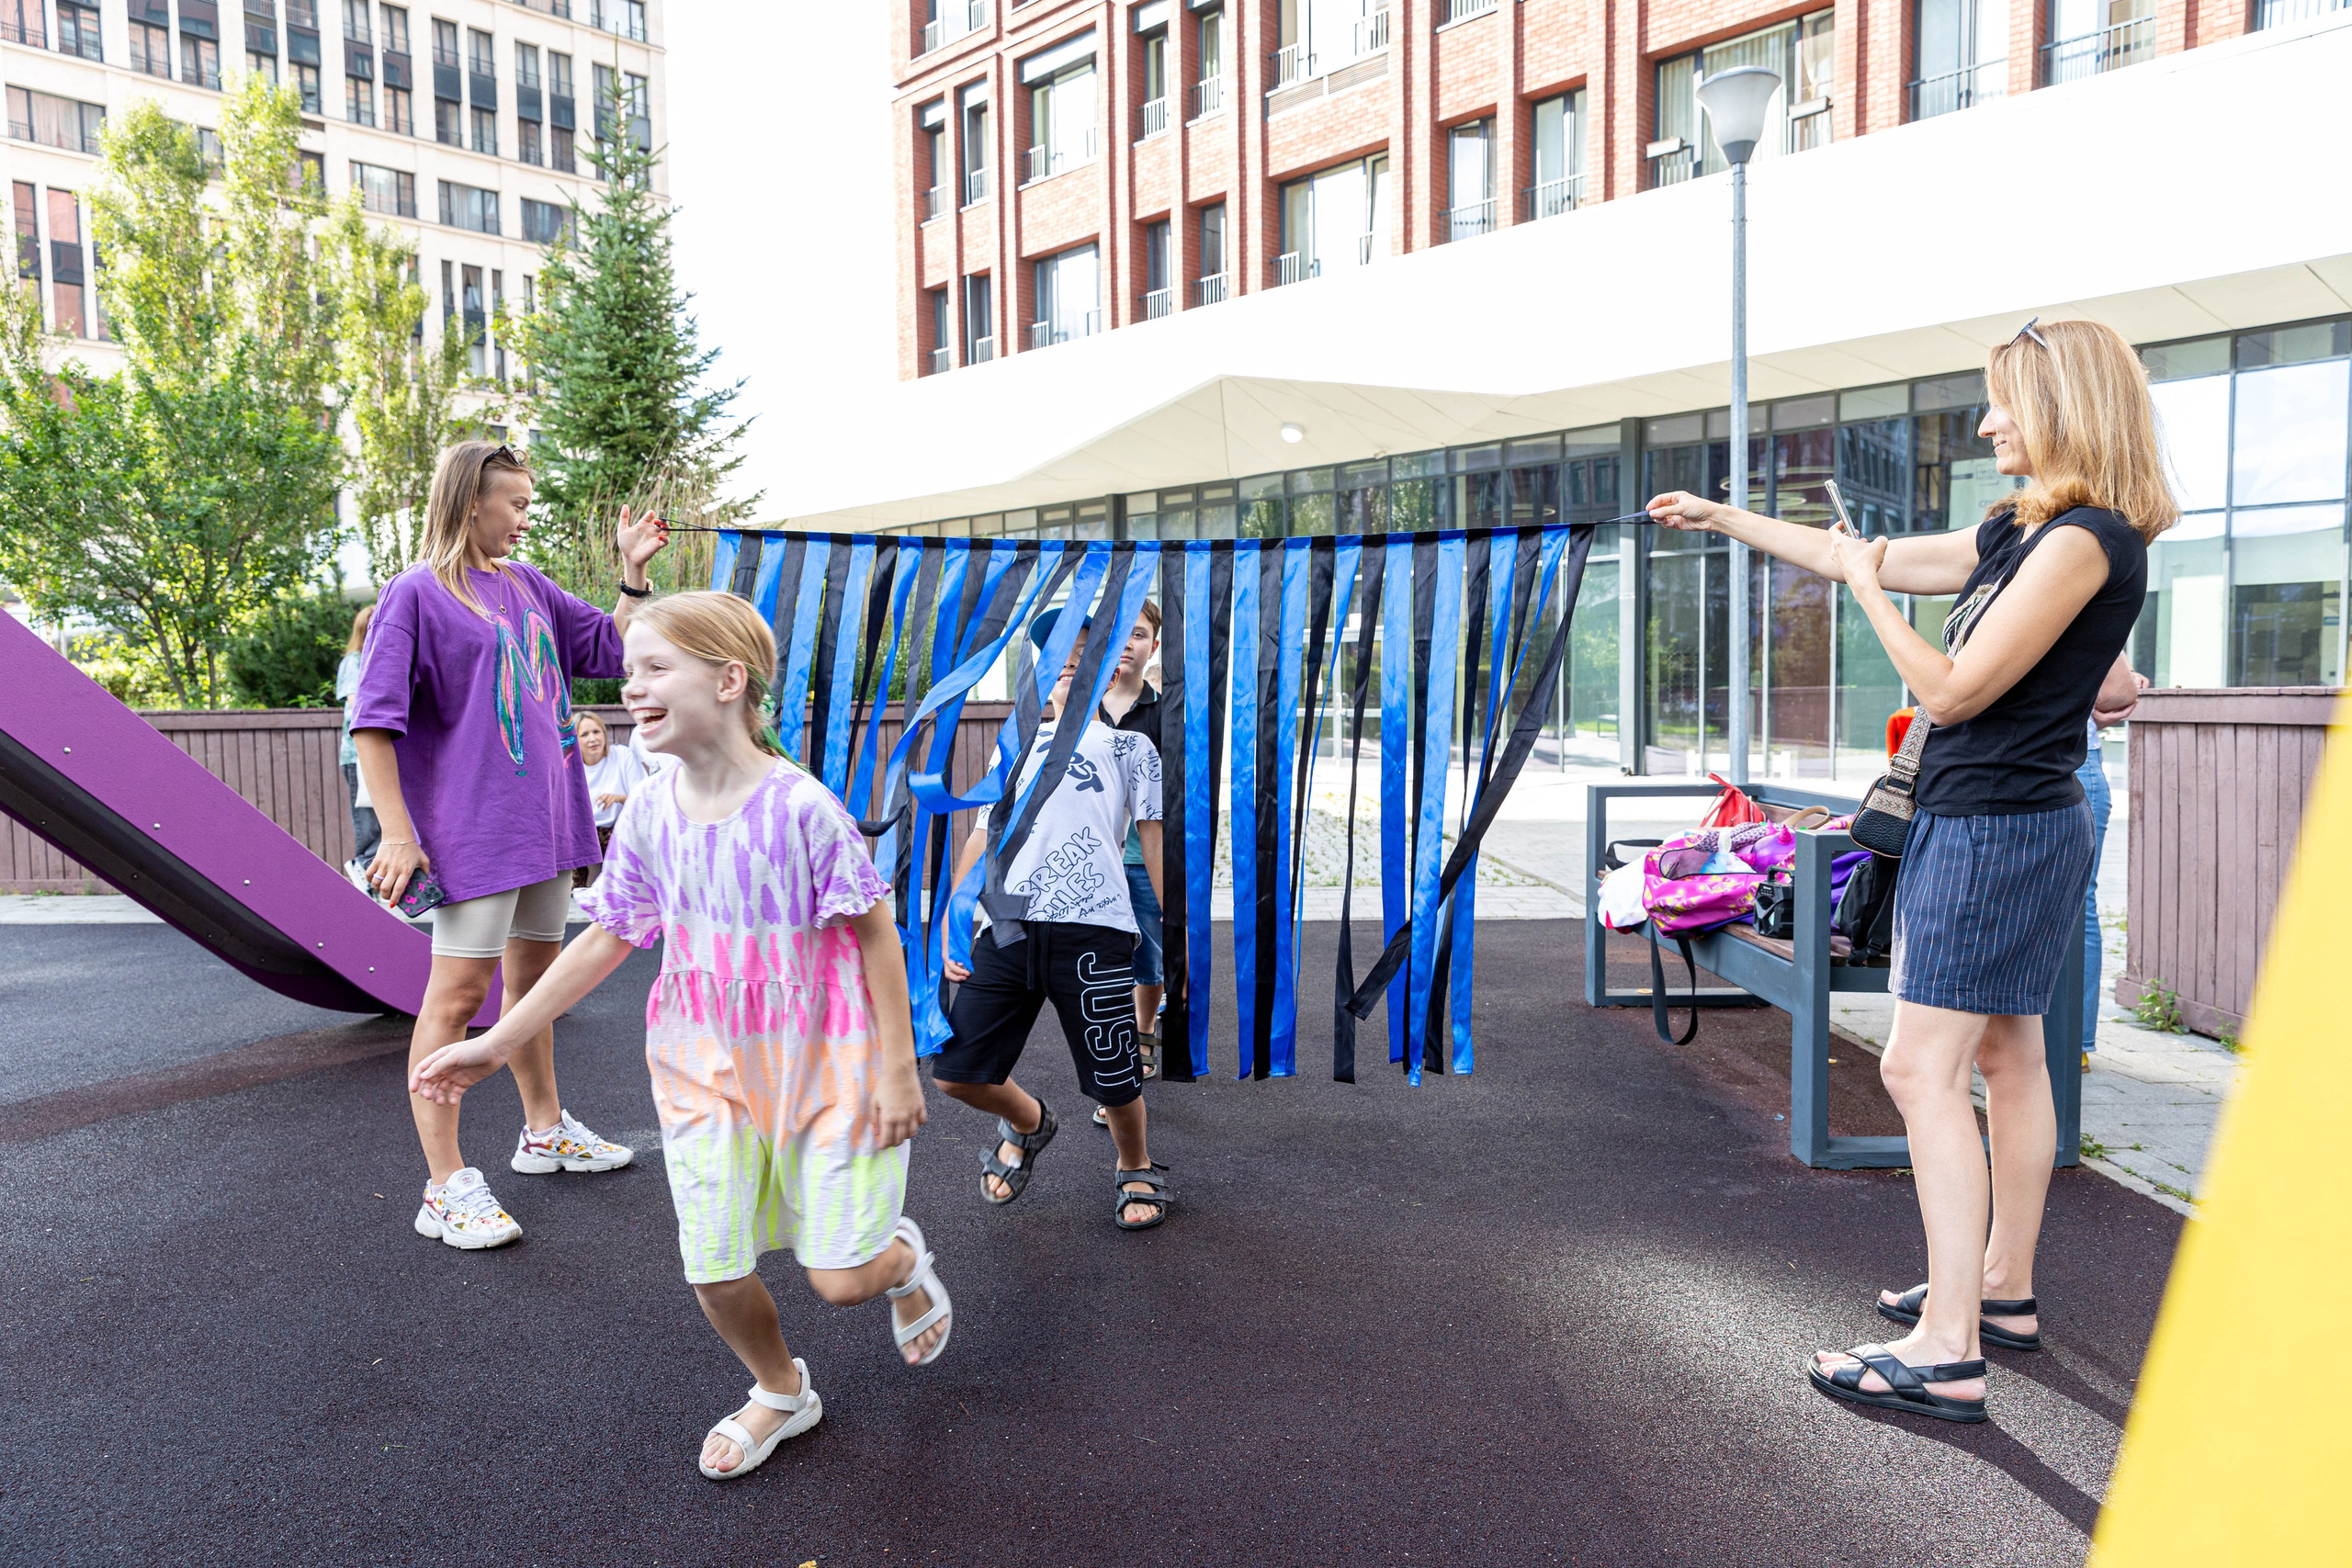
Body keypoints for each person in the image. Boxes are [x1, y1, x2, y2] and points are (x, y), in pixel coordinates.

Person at [1645, 317, 2174, 1423]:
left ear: (2066, 407)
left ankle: (1946, 1349)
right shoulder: (2023, 534)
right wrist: (1718, 515)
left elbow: (1948, 692)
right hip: (2010, 822)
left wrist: (1869, 597)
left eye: (2003, 404)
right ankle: (1998, 1292)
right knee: (2007, 1057)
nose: (1986, 423)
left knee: (1914, 1072)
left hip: (1993, 829)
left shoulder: (2084, 537)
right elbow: (1861, 554)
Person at [413, 592, 950, 1482]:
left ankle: (899, 1263)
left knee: (839, 1276)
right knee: (713, 1266)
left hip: (825, 1063)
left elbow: (874, 932)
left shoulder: (802, 809)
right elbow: (608, 934)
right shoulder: (653, 810)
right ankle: (782, 1391)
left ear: (729, 681)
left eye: (656, 669)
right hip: (702, 1063)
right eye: (629, 672)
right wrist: (495, 1041)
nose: (632, 689)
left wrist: (899, 1070)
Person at [353, 440, 667, 1251]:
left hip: (548, 824)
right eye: (516, 504)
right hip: (474, 835)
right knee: (457, 1002)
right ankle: (444, 1183)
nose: (525, 519)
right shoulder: (414, 595)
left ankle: (543, 1130)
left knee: (533, 988)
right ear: (470, 504)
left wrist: (631, 574)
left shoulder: (526, 585)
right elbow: (374, 723)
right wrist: (397, 831)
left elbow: (607, 646)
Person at [933, 614, 1171, 1229]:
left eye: (1085, 652)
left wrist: (1175, 928)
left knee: (1115, 1075)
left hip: (1094, 928)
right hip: (1007, 925)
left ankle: (1134, 1164)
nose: (1069, 660)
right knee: (956, 1072)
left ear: (1109, 667)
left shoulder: (1130, 746)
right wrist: (954, 921)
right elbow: (982, 835)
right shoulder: (1012, 745)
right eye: (1058, 652)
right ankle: (1030, 1120)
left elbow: (1153, 840)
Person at [2078, 653, 2150, 1060]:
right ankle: (2068, 1044)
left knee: (2075, 907)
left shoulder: (2075, 590)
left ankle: (2074, 1042)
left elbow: (2117, 695)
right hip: (2058, 760)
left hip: (2068, 762)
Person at [571, 710, 646, 887]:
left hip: (618, 827)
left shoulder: (622, 755)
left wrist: (618, 798)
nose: (593, 739)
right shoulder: (572, 767)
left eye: (596, 732)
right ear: (576, 740)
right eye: (584, 734)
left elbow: (642, 800)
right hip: (584, 831)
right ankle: (576, 890)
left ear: (604, 733)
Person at [336, 604, 380, 890]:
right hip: (358, 753)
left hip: (380, 751)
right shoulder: (354, 661)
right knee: (367, 813)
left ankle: (373, 874)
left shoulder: (379, 659)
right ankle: (362, 866)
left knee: (382, 813)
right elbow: (356, 704)